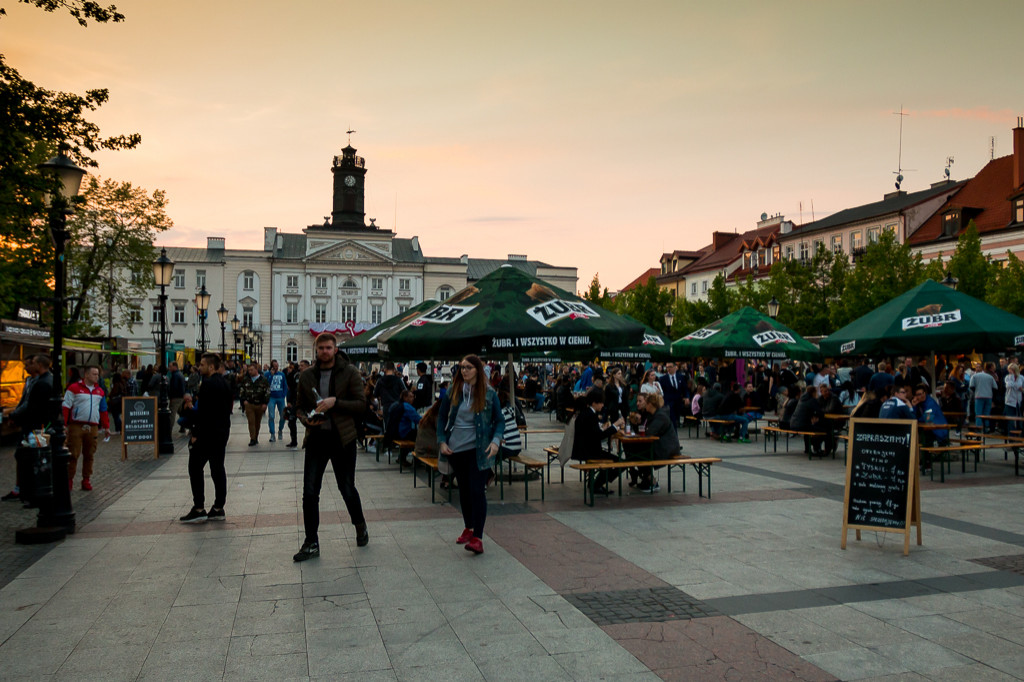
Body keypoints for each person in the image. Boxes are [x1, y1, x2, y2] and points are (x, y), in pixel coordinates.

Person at [293, 333, 369, 562]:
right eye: (321, 348)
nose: (325, 351)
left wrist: (336, 402)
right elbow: (299, 407)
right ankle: (311, 541)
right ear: (316, 350)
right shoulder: (307, 376)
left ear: (335, 349)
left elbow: (361, 405)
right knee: (309, 492)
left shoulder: (350, 372)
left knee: (346, 488)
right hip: (317, 438)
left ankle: (360, 524)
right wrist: (306, 419)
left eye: (328, 347)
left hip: (342, 438)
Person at [438, 354, 503, 555]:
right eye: (461, 367)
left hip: (479, 450)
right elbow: (441, 418)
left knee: (477, 491)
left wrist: (495, 442)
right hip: (456, 449)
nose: (463, 371)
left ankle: (478, 538)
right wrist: (441, 441)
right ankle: (469, 527)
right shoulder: (454, 391)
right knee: (464, 491)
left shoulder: (489, 394)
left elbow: (500, 421)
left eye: (468, 367)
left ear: (478, 370)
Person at [179, 353, 234, 524]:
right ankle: (218, 507)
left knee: (195, 468)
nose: (199, 367)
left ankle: (199, 507)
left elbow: (203, 414)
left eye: (202, 364)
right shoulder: (225, 383)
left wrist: (195, 432)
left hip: (206, 434)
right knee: (218, 468)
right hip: (221, 432)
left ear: (211, 367)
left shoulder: (207, 384)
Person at [5, 356, 52, 503]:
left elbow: (31, 405)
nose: (26, 367)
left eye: (28, 364)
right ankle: (25, 488)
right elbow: (24, 401)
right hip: (34, 424)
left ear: (37, 364)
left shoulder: (43, 382)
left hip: (36, 425)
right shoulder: (33, 381)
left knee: (31, 456)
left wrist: (14, 415)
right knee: (25, 455)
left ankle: (29, 489)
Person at [62, 365, 110, 491]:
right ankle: (69, 479)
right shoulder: (74, 388)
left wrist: (106, 426)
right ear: (86, 375)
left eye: (98, 374)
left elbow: (103, 410)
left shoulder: (99, 391)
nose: (97, 377)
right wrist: (64, 424)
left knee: (89, 454)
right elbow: (66, 406)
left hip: (92, 426)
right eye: (94, 374)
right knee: (73, 453)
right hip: (76, 425)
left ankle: (86, 479)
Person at [571, 387, 625, 493]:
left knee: (614, 460)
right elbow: (599, 436)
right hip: (590, 451)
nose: (602, 405)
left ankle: (596, 483)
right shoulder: (591, 415)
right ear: (594, 403)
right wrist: (614, 426)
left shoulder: (585, 413)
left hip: (584, 449)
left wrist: (604, 429)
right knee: (620, 463)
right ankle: (597, 484)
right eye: (601, 403)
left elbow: (593, 433)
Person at [239, 362, 270, 446]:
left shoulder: (263, 380)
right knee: (251, 422)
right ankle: (252, 438)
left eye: (252, 370)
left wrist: (265, 403)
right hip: (249, 404)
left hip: (259, 404)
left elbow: (267, 392)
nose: (250, 372)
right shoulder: (246, 379)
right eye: (249, 370)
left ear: (256, 370)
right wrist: (244, 400)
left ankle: (256, 436)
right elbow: (242, 390)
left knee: (257, 422)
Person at [791, 385, 826, 455]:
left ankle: (807, 449)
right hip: (802, 425)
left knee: (808, 429)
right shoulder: (812, 400)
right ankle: (817, 448)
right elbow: (820, 412)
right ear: (813, 393)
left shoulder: (802, 399)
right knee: (823, 430)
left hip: (793, 424)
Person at [970, 362, 998, 433]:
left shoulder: (974, 376)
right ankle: (986, 428)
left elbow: (971, 386)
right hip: (988, 396)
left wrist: (976, 390)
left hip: (978, 396)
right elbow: (995, 387)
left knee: (978, 413)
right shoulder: (990, 377)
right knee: (986, 414)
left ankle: (979, 428)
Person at [265, 359, 288, 443]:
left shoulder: (282, 374)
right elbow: (266, 385)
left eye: (277, 366)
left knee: (283, 415)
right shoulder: (267, 374)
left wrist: (284, 394)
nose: (276, 368)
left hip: (280, 397)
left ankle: (280, 430)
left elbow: (285, 385)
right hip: (271, 397)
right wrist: (271, 376)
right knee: (271, 416)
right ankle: (272, 433)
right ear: (271, 367)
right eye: (275, 366)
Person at [658, 361, 686, 426]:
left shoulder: (681, 377)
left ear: (675, 367)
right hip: (668, 403)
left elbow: (684, 388)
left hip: (678, 402)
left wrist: (686, 397)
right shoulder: (663, 379)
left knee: (676, 419)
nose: (668, 369)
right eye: (667, 367)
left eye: (670, 367)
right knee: (672, 421)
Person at [284, 361, 300, 447]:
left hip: (299, 402)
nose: (288, 369)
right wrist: (289, 401)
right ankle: (294, 441)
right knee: (291, 420)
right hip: (294, 401)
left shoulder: (297, 375)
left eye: (291, 367)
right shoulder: (292, 376)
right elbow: (290, 389)